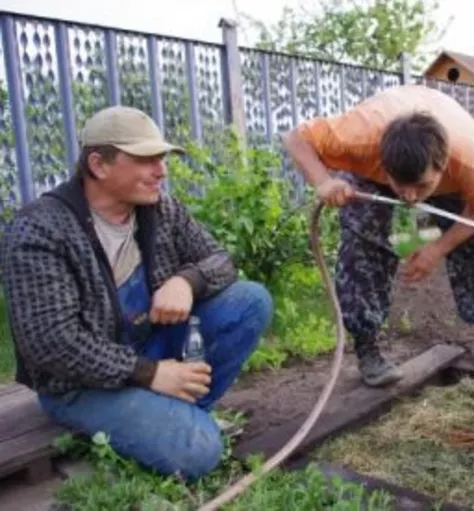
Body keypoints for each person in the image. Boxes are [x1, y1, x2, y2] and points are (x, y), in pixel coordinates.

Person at [0, 106, 273, 480]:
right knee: (201, 452)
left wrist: (186, 281)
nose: (161, 171)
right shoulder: (40, 230)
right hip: (80, 384)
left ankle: (181, 415)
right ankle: (177, 424)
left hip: (147, 346)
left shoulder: (161, 209)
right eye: (146, 159)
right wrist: (148, 373)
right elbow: (52, 344)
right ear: (98, 164)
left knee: (250, 300)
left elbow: (220, 260)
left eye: (161, 158)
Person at [281, 84, 474, 387]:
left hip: (453, 164)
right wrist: (323, 181)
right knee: (362, 239)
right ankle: (368, 349)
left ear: (442, 167)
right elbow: (295, 137)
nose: (410, 197)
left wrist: (437, 249)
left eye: (421, 186)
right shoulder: (359, 138)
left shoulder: (472, 164)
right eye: (401, 185)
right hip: (374, 163)